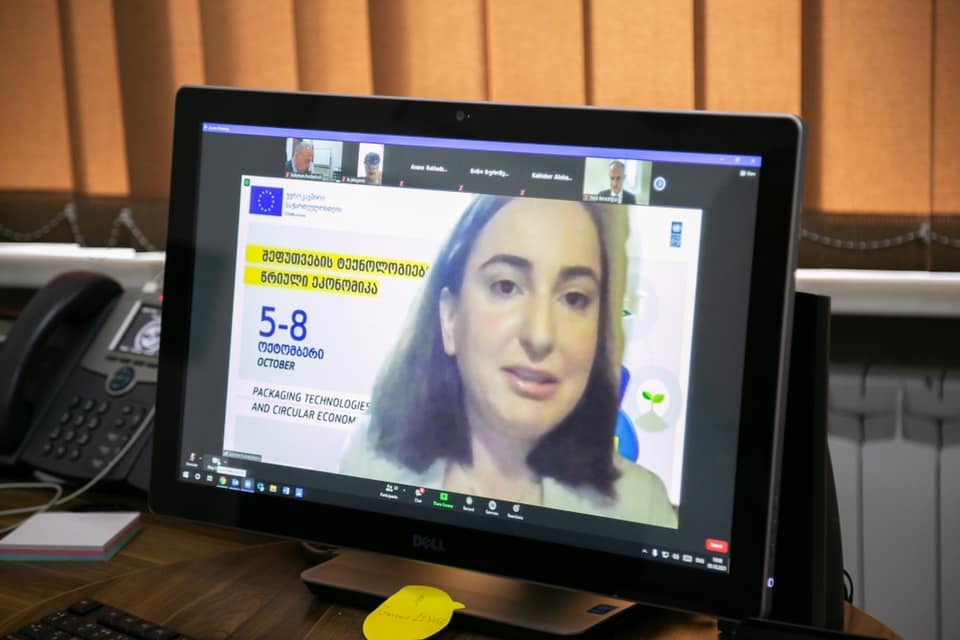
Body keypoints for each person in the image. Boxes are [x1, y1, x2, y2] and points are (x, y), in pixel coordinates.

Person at [339, 195, 677, 528]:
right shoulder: (370, 462)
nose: (540, 335)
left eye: (574, 298)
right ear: (450, 317)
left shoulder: (642, 509)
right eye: (506, 286)